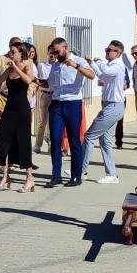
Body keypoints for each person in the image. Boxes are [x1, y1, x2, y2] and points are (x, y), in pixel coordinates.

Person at [40, 37, 95, 187]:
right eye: (53, 53)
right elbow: (49, 84)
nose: (55, 55)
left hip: (73, 102)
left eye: (57, 52)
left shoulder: (78, 61)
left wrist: (76, 66)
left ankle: (76, 176)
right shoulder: (56, 65)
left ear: (65, 47)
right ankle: (56, 175)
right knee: (55, 139)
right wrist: (33, 80)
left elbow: (91, 75)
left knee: (74, 140)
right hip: (57, 103)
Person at [81, 41, 127, 184]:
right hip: (111, 105)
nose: (107, 52)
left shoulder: (118, 65)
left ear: (117, 53)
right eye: (106, 49)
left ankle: (80, 170)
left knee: (89, 136)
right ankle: (111, 174)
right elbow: (102, 75)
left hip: (113, 106)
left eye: (110, 50)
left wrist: (96, 61)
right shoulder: (112, 66)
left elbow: (105, 72)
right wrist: (92, 63)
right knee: (105, 140)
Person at [0, 42, 37, 192]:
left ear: (20, 53)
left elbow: (28, 80)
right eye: (10, 51)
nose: (10, 54)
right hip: (9, 108)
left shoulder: (26, 66)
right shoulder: (9, 69)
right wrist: (7, 71)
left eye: (13, 52)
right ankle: (6, 176)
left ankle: (29, 178)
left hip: (22, 109)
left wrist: (16, 67)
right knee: (3, 140)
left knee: (23, 142)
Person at [0, 36, 25, 136]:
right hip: (2, 98)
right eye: (16, 45)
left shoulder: (25, 63)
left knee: (17, 126)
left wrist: (28, 97)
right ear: (10, 47)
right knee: (3, 126)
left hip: (19, 99)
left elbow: (30, 83)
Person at [33, 48, 56, 154]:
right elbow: (39, 80)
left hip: (56, 95)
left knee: (53, 121)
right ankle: (38, 144)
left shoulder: (58, 66)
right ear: (47, 53)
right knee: (43, 121)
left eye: (54, 53)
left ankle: (51, 144)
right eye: (50, 53)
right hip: (46, 94)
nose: (52, 55)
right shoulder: (42, 65)